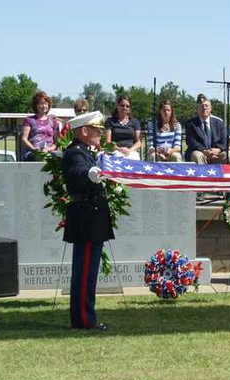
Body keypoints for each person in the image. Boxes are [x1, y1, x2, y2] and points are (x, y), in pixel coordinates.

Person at [62, 111, 114, 331]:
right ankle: (84, 320)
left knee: (88, 270)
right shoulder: (75, 153)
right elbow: (79, 173)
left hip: (91, 216)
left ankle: (86, 317)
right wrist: (90, 174)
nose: (100, 134)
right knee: (85, 272)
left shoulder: (85, 152)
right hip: (86, 218)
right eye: (96, 130)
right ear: (84, 131)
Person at [185, 99, 230, 164]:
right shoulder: (190, 124)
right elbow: (191, 141)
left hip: (217, 154)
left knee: (229, 156)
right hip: (200, 152)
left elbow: (225, 140)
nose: (204, 107)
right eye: (202, 106)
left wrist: (218, 150)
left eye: (206, 106)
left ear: (211, 109)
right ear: (197, 109)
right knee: (197, 155)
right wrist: (204, 151)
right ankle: (202, 174)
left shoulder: (219, 123)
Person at [21, 91, 59, 161]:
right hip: (33, 152)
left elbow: (56, 143)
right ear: (36, 105)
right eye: (41, 103)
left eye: (45, 103)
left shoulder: (53, 120)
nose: (44, 106)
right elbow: (24, 139)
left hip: (49, 152)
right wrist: (34, 149)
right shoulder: (29, 120)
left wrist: (48, 149)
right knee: (39, 158)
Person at [105, 95, 141, 160]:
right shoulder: (110, 121)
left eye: (127, 106)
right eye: (122, 105)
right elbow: (108, 142)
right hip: (115, 151)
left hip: (131, 151)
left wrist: (129, 150)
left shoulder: (135, 122)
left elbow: (138, 142)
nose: (125, 108)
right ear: (117, 106)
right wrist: (119, 149)